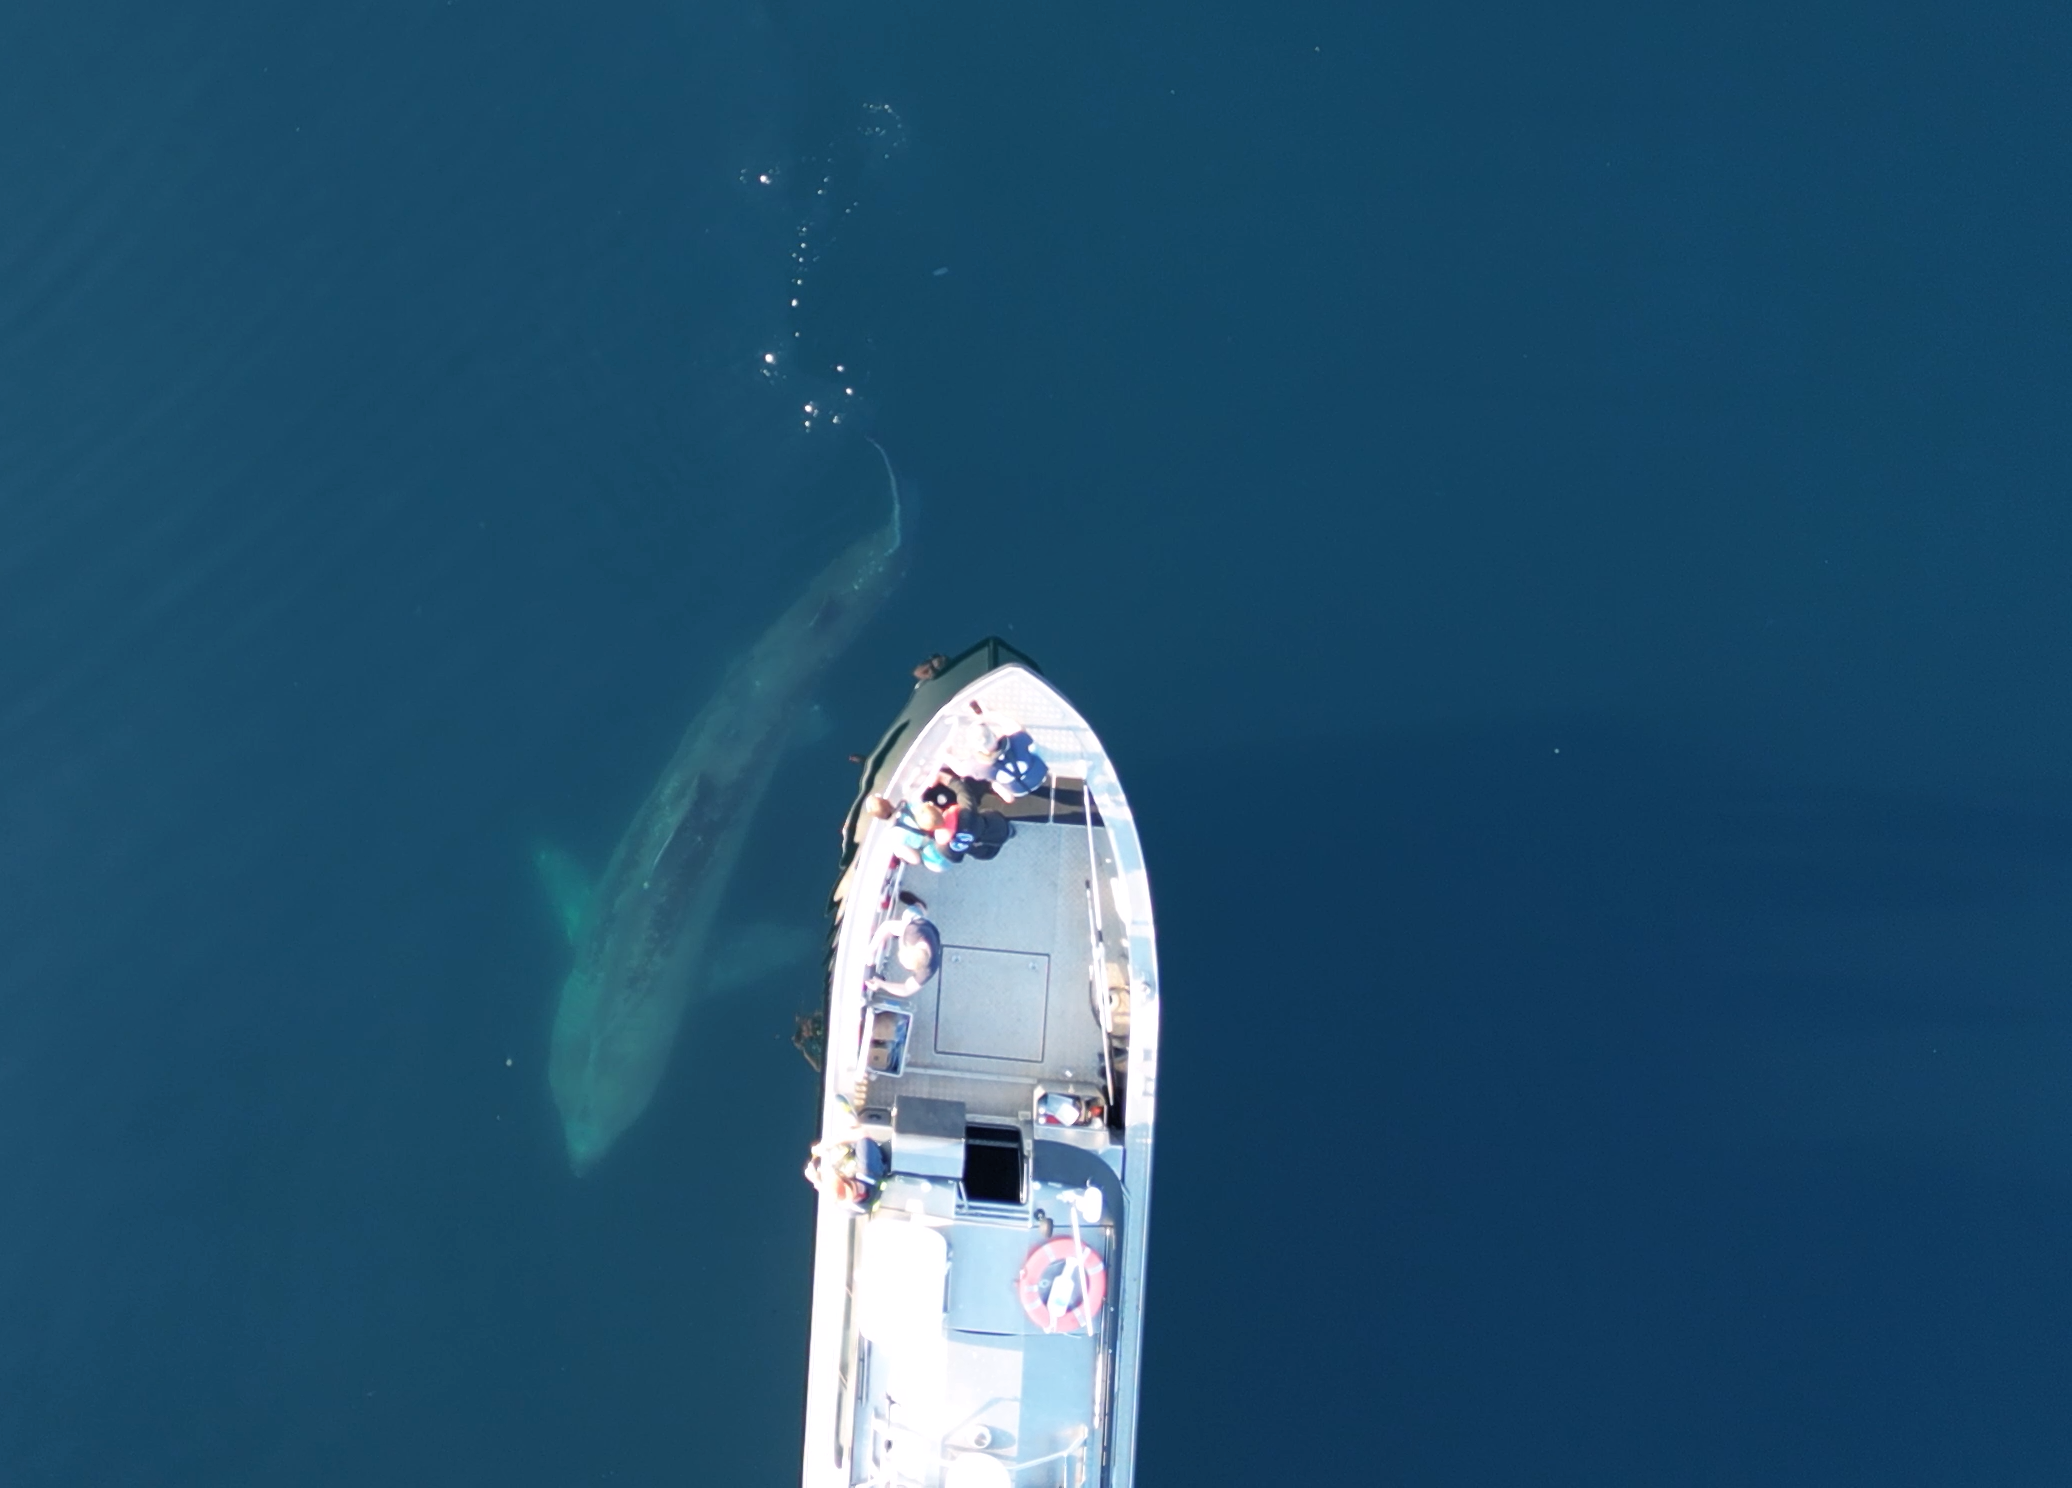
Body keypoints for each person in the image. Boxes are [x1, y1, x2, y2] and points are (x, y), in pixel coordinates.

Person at [866, 901, 941, 998]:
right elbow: (887, 926)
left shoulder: (928, 970)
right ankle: (919, 906)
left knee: (898, 931)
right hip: (917, 921)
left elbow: (906, 989)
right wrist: (871, 950)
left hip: (930, 933)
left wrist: (880, 984)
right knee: (910, 913)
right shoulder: (913, 931)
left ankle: (920, 910)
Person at [864, 794, 949, 872]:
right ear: (888, 801)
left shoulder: (892, 837)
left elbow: (916, 859)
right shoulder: (911, 805)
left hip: (937, 863)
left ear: (878, 817)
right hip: (948, 841)